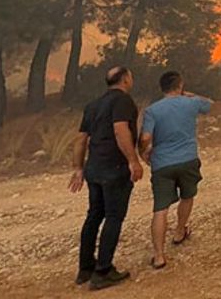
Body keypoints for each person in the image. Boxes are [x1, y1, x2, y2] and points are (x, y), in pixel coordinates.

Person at [70, 66, 141, 291]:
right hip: (115, 168)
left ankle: (85, 268)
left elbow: (81, 139)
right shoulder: (123, 101)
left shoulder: (93, 105)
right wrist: (132, 160)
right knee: (113, 217)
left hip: (94, 168)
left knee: (94, 215)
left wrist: (78, 168)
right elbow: (121, 130)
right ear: (126, 79)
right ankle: (103, 271)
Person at [139, 71, 212, 270]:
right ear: (179, 85)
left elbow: (145, 138)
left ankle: (159, 256)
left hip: (162, 164)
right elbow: (209, 104)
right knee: (188, 196)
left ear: (162, 88)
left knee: (160, 208)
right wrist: (189, 95)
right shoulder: (190, 102)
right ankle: (180, 231)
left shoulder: (152, 110)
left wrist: (142, 153)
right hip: (188, 159)